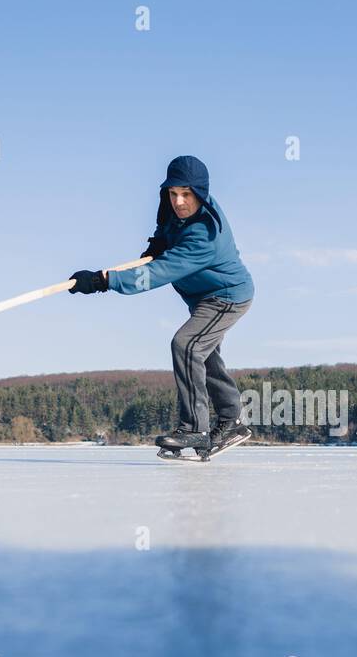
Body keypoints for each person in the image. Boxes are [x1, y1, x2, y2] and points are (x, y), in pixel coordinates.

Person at [69, 155, 254, 454]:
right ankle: (231, 420)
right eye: (173, 193)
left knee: (186, 345)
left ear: (201, 194)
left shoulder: (204, 235)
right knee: (204, 355)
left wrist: (104, 281)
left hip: (228, 295)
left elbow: (156, 273)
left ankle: (195, 429)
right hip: (203, 297)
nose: (179, 201)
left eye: (187, 194)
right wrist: (157, 242)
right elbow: (164, 234)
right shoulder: (171, 210)